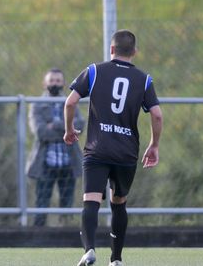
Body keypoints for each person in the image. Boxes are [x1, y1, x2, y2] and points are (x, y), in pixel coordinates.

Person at [64, 30, 163, 266]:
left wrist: (69, 130)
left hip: (98, 149)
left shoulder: (95, 71)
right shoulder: (144, 79)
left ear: (111, 50)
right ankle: (116, 259)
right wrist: (154, 145)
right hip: (126, 152)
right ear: (135, 52)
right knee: (118, 203)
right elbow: (157, 115)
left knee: (91, 201)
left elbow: (70, 102)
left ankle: (88, 250)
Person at [26, 68, 85, 227]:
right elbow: (41, 132)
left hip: (68, 162)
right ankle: (37, 239)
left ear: (64, 83)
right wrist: (67, 130)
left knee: (67, 205)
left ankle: (66, 238)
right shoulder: (37, 104)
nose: (55, 84)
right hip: (45, 163)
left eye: (58, 81)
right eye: (51, 80)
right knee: (41, 204)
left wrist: (56, 125)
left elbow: (80, 124)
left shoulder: (70, 102)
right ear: (45, 83)